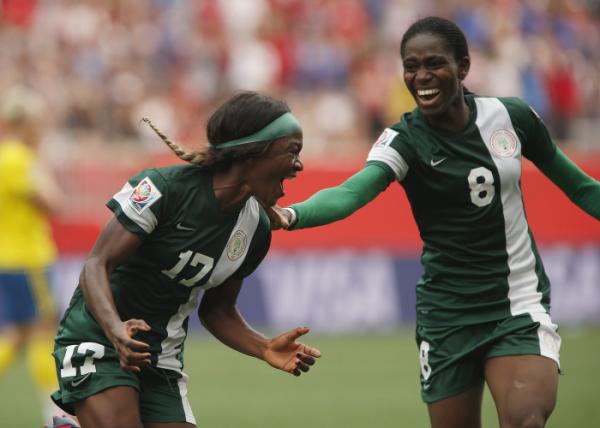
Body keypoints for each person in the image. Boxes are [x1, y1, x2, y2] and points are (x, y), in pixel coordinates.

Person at [271, 16, 599, 428]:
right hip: (446, 316)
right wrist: (290, 215)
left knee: (525, 419)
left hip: (517, 304)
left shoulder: (511, 117)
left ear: (463, 67)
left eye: (434, 64)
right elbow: (352, 192)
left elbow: (581, 188)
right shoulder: (404, 140)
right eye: (411, 67)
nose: (421, 77)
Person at [51, 91, 321, 428]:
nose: (299, 165)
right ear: (253, 152)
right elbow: (97, 265)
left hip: (160, 357)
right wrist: (115, 329)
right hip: (98, 336)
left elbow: (218, 311)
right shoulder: (162, 189)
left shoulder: (256, 229)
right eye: (292, 151)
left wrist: (264, 347)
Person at [0, 85, 64, 425]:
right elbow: (53, 203)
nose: (42, 129)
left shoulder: (4, 156)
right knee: (43, 329)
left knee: (16, 333)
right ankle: (55, 411)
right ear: (25, 123)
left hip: (7, 258)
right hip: (28, 259)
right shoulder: (20, 160)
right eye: (38, 122)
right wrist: (44, 169)